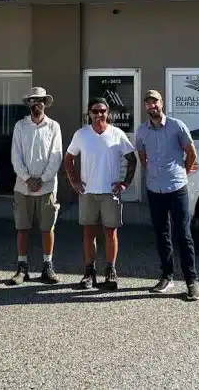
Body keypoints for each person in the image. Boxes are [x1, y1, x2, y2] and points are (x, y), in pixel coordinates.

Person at [65, 97, 137, 290]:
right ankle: (89, 272)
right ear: (89, 114)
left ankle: (111, 271)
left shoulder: (117, 134)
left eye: (103, 111)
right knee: (89, 234)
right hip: (88, 192)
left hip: (110, 193)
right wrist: (74, 182)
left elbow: (132, 159)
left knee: (110, 233)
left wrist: (125, 184)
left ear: (108, 113)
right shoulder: (81, 134)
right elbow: (69, 158)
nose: (99, 114)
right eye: (95, 111)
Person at [135, 89, 199, 301]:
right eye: (148, 103)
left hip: (177, 188)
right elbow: (142, 156)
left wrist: (182, 173)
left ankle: (191, 281)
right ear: (145, 106)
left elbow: (191, 153)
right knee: (161, 234)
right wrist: (153, 173)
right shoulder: (142, 131)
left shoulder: (176, 126)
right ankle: (167, 276)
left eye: (155, 102)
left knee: (183, 234)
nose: (152, 106)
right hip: (155, 189)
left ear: (161, 103)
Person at [9, 87, 63, 285]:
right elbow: (15, 156)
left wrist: (42, 179)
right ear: (29, 104)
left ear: (45, 103)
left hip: (47, 187)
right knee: (22, 228)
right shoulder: (20, 126)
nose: (36, 104)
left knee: (47, 228)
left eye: (40, 100)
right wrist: (27, 178)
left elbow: (56, 156)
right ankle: (22, 268)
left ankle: (47, 266)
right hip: (23, 187)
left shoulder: (53, 126)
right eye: (33, 100)